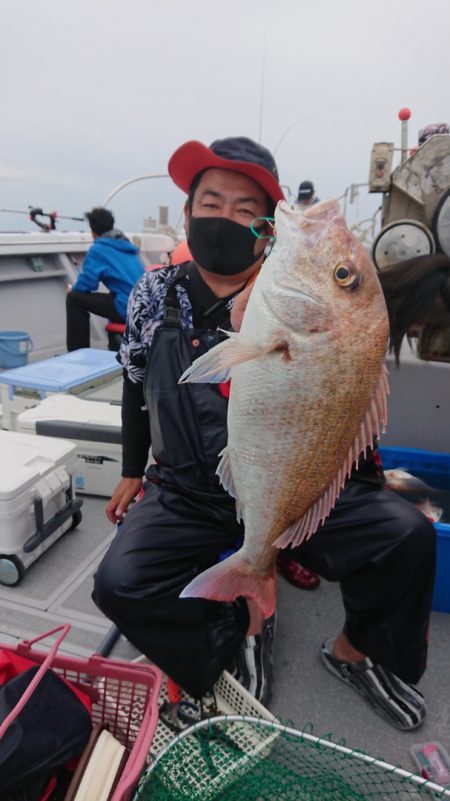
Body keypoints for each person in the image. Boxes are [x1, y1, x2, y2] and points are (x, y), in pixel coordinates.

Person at [92, 136, 435, 731]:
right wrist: (129, 469)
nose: (224, 217)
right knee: (119, 585)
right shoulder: (155, 292)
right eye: (210, 202)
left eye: (246, 209)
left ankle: (354, 652)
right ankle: (238, 628)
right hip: (188, 487)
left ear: (267, 231)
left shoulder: (286, 296)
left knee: (405, 537)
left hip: (297, 480)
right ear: (186, 213)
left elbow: (348, 401)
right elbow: (133, 381)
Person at [66, 207, 145, 351]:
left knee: (74, 299)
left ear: (93, 231)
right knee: (113, 296)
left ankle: (76, 353)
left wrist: (73, 289)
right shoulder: (127, 247)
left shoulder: (98, 249)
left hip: (128, 308)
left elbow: (88, 284)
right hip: (144, 307)